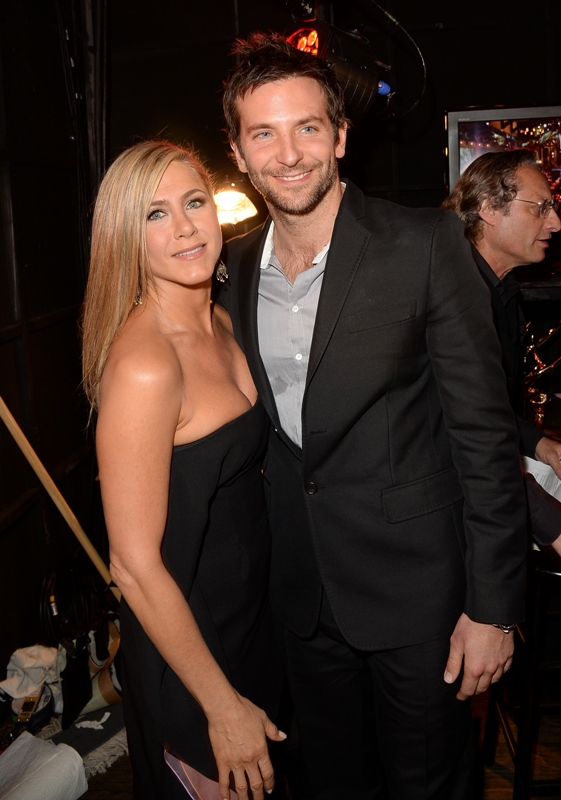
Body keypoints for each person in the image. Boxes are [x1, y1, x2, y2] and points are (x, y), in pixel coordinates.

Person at [218, 33, 527, 799]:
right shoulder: (230, 268)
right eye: (263, 134)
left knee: (429, 787)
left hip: (420, 600)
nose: (288, 154)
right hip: (300, 599)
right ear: (238, 153)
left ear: (340, 136)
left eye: (307, 127)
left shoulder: (423, 243)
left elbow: (484, 438)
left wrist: (492, 610)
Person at [81, 140, 285, 800]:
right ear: (126, 238)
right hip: (193, 653)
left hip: (248, 625)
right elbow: (134, 566)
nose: (185, 228)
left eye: (194, 202)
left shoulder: (219, 320)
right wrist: (221, 707)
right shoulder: (146, 365)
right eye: (155, 214)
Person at [443, 151, 561, 555]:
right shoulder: (446, 297)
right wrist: (542, 513)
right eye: (540, 207)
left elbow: (485, 408)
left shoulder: (502, 292)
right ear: (489, 209)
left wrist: (542, 444)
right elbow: (446, 430)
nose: (555, 222)